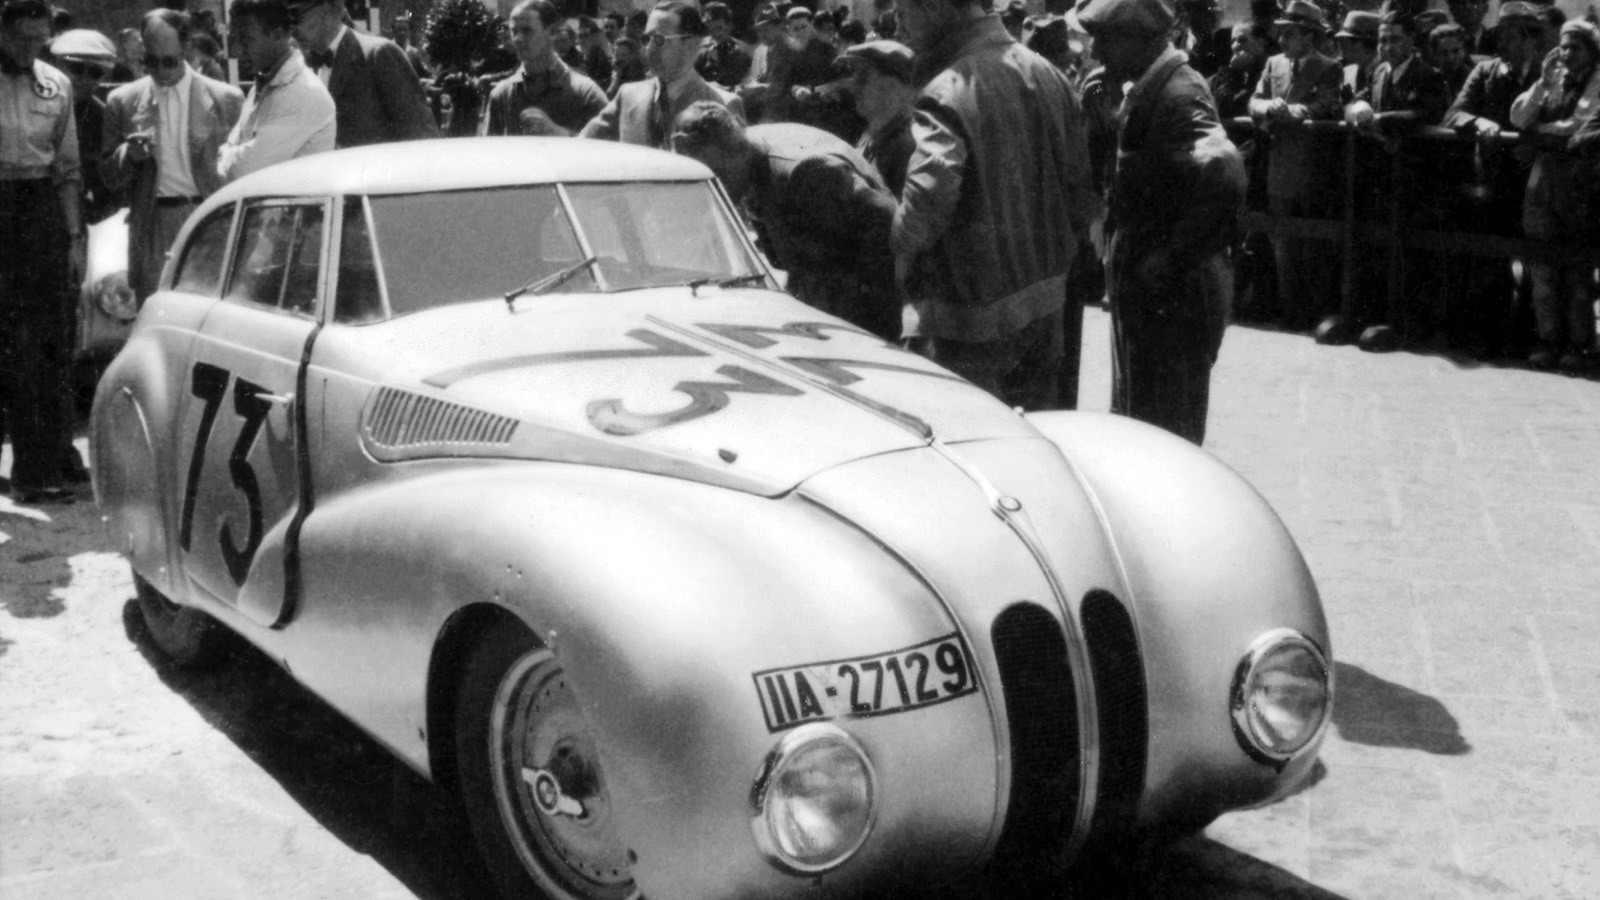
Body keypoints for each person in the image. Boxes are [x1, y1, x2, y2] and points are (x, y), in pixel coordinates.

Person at [892, 0, 1099, 411]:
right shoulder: (1050, 75)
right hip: (1045, 310)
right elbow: (1080, 196)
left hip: (966, 330)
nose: (901, 27)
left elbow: (922, 212)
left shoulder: (945, 91)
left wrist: (892, 241)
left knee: (968, 442)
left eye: (905, 11)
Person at [1077, 0, 1245, 445]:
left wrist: (1169, 259)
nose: (1095, 51)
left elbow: (1224, 173)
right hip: (1153, 299)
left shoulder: (1179, 93)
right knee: (1142, 425)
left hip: (1174, 303)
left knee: (1167, 437)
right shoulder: (1151, 87)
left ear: (1138, 38)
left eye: (1104, 39)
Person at [671, 101, 900, 340]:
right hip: (826, 299)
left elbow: (886, 222)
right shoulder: (747, 158)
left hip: (865, 313)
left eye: (719, 173)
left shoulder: (806, 173)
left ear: (739, 152)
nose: (715, 187)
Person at [0, 0, 84, 503]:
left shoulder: (55, 84)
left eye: (40, 40)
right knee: (10, 343)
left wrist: (73, 238)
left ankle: (44, 467)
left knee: (48, 341)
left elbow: (68, 167)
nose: (31, 49)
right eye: (22, 39)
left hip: (40, 207)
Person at [102, 8, 242, 303]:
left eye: (169, 61)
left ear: (187, 48)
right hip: (153, 224)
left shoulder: (226, 99)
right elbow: (107, 176)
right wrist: (129, 155)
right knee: (156, 311)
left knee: (209, 312)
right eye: (151, 62)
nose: (161, 71)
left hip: (210, 220)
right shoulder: (122, 102)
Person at [1442, 1, 1546, 356]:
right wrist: (1478, 121)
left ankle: (1530, 335)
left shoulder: (1547, 74)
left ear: (1529, 38)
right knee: (1492, 260)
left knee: (1535, 262)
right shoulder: (1485, 71)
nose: (1501, 43)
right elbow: (1454, 113)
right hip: (1494, 181)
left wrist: (1535, 142)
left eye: (1510, 36)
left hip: (1535, 182)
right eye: (1499, 35)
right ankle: (1492, 335)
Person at [1510, 19, 1600, 370]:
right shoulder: (1553, 79)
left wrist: (1539, 131)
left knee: (1576, 265)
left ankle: (1579, 344)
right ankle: (1548, 339)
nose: (1566, 54)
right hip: (1544, 176)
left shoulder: (1597, 80)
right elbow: (1518, 117)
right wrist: (1543, 83)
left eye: (1574, 47)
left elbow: (1578, 125)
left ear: (1591, 51)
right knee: (1541, 260)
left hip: (1580, 179)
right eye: (1562, 46)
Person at [1248, 0, 1342, 331]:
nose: (1282, 39)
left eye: (1290, 33)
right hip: (1280, 165)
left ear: (1309, 36)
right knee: (1281, 241)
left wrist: (1300, 111)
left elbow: (1330, 104)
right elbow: (1254, 100)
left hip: (1312, 167)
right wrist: (1266, 107)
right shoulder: (1273, 63)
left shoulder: (1328, 67)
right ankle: (1289, 312)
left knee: (1313, 243)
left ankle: (1313, 312)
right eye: (1282, 33)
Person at [580, 1, 744, 149]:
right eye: (646, 39)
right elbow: (581, 146)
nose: (649, 49)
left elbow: (737, 169)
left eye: (659, 39)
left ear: (689, 45)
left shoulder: (723, 105)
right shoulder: (628, 96)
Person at [287, 0, 437, 147]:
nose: (292, 30)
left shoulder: (378, 54)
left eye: (297, 16)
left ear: (326, 8)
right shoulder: (306, 68)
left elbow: (422, 136)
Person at [217, 0, 335, 183]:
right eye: (235, 39)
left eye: (246, 39)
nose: (237, 50)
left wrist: (226, 155)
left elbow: (244, 170)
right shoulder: (261, 87)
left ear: (278, 35)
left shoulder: (302, 93)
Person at [480, 0, 606, 136]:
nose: (517, 39)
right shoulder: (502, 96)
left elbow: (610, 146)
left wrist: (558, 133)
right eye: (514, 31)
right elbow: (489, 148)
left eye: (527, 30)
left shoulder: (586, 94)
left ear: (552, 32)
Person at [48, 28, 118, 223]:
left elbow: (107, 186)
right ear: (57, 64)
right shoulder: (33, 106)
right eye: (76, 68)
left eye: (95, 72)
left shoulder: (103, 118)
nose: (84, 78)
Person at [842, 39, 916, 196]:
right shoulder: (877, 130)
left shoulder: (905, 149)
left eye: (862, 79)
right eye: (853, 76)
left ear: (892, 86)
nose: (852, 88)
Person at [1210, 21, 1269, 118]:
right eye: (1232, 41)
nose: (1235, 46)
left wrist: (1231, 72)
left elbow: (1231, 108)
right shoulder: (1233, 71)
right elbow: (1219, 107)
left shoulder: (1269, 71)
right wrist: (1231, 71)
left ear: (1260, 43)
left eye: (1242, 40)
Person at [696, 1, 751, 89]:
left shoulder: (742, 51)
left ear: (730, 26)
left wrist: (715, 62)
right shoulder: (702, 50)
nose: (716, 33)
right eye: (711, 29)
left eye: (719, 28)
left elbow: (733, 83)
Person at [1430, 23, 1471, 96]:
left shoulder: (1475, 79)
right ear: (1434, 55)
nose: (1451, 58)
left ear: (1464, 50)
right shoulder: (1430, 81)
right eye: (1444, 53)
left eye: (1456, 51)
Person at [577, 17, 612, 87]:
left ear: (594, 37)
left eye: (586, 35)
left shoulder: (600, 57)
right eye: (580, 36)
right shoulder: (578, 57)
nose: (582, 39)